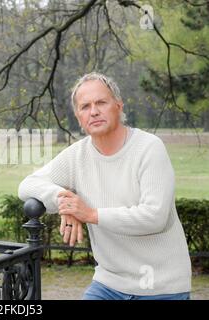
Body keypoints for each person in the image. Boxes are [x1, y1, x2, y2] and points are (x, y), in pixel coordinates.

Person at [18, 72, 192, 300]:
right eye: (85, 106)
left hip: (161, 287)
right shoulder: (77, 155)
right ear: (79, 118)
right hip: (109, 284)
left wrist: (89, 214)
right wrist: (64, 198)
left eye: (101, 102)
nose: (94, 111)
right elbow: (27, 185)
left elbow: (154, 216)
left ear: (118, 106)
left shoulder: (149, 148)